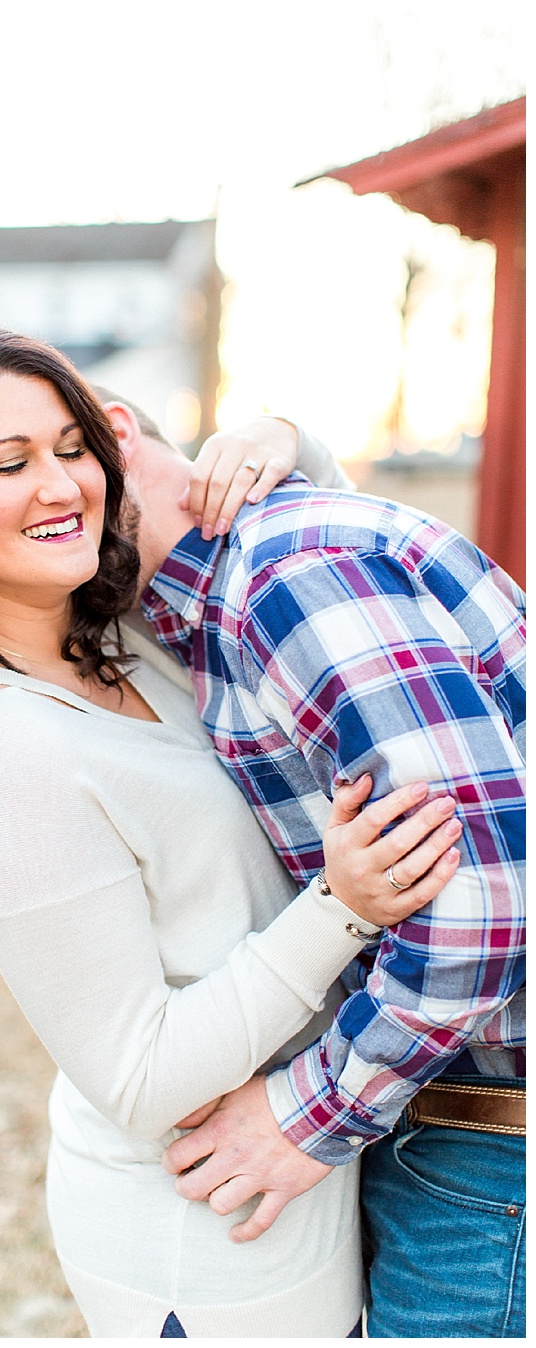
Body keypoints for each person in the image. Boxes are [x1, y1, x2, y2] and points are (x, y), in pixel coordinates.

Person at [0, 322, 462, 1336]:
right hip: (203, 1238)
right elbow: (138, 1075)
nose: (61, 487)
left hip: (303, 1185)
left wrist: (286, 439)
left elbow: (325, 578)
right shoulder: (10, 752)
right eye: (11, 464)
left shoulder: (119, 635)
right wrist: (340, 908)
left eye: (71, 449)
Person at [107, 384, 526, 1337]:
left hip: (499, 1139)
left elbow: (481, 903)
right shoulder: (213, 602)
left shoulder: (286, 577)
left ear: (115, 434)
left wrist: (312, 1112)